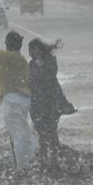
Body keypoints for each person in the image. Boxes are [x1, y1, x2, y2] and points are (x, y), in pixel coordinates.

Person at [0, 31, 36, 168]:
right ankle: (30, 160)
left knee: (18, 135)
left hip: (12, 100)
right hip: (23, 100)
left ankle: (22, 166)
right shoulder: (20, 59)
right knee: (24, 132)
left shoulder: (9, 56)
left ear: (8, 44)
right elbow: (6, 68)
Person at [27, 37, 71, 169]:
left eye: (31, 50)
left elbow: (48, 77)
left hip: (50, 101)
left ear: (38, 49)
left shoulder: (50, 61)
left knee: (51, 130)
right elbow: (31, 82)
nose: (30, 53)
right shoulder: (32, 64)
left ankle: (53, 158)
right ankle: (44, 158)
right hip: (37, 103)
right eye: (29, 51)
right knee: (41, 131)